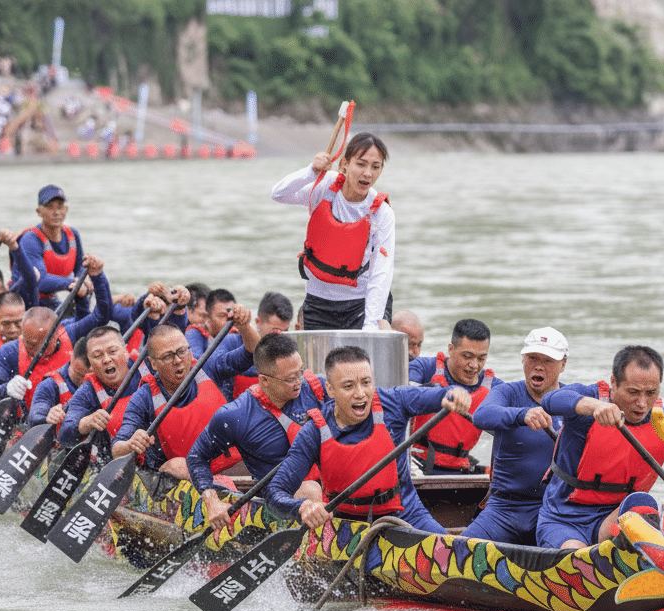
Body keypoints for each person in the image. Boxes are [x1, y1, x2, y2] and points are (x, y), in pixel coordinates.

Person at [267, 346, 472, 536]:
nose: (360, 393)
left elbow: (443, 394)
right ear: (330, 390)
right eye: (348, 386)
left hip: (407, 514)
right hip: (346, 525)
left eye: (366, 383)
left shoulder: (395, 402)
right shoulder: (314, 432)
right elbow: (275, 493)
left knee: (453, 559)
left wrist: (457, 394)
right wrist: (303, 507)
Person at [537, 345, 664, 549]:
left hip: (612, 519)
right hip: (564, 520)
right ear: (613, 382)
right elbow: (550, 400)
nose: (642, 403)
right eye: (633, 392)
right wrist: (596, 407)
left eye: (651, 392)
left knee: (643, 503)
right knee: (576, 554)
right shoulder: (589, 402)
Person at [188, 333, 328, 530]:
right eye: (290, 378)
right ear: (264, 381)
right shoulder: (235, 416)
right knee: (311, 490)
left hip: (329, 487)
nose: (299, 381)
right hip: (280, 499)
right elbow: (196, 457)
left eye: (300, 372)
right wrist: (212, 502)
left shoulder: (315, 388)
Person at [111, 307, 260, 479]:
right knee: (174, 467)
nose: (178, 360)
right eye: (168, 356)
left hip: (232, 467)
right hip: (187, 476)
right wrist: (130, 445)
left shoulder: (207, 368)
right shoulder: (144, 398)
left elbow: (253, 352)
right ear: (153, 363)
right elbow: (117, 448)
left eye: (182, 351)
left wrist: (245, 327)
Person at [463, 328, 577, 546]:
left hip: (553, 511)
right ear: (523, 359)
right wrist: (522, 415)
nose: (538, 366)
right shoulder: (508, 393)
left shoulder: (573, 399)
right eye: (532, 358)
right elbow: (482, 416)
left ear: (563, 364)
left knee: (570, 554)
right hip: (504, 510)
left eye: (548, 360)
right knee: (454, 555)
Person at [272, 132, 394, 330]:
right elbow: (279, 194)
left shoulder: (382, 213)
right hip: (318, 302)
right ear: (344, 164)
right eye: (361, 164)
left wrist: (370, 324)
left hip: (360, 303)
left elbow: (382, 272)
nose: (368, 173)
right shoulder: (324, 186)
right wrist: (311, 171)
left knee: (373, 343)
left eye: (375, 167)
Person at [0, 254, 113, 407]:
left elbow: (102, 315)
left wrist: (98, 276)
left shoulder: (70, 334)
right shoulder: (10, 351)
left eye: (39, 344)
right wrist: (6, 389)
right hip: (29, 422)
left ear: (55, 336)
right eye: (28, 343)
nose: (34, 351)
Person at [409, 319, 505, 474]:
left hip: (461, 469)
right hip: (417, 466)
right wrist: (442, 394)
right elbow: (401, 392)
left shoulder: (494, 386)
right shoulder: (423, 368)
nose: (474, 365)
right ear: (451, 349)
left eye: (481, 358)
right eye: (467, 356)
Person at [14, 184, 87, 312]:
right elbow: (40, 281)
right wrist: (73, 284)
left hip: (50, 299)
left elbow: (80, 267)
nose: (56, 212)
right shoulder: (30, 239)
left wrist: (84, 281)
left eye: (60, 207)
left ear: (66, 209)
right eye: (49, 207)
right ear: (39, 212)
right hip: (23, 300)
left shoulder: (73, 234)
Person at [211, 291, 294, 400]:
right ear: (258, 322)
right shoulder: (230, 341)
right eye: (275, 331)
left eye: (285, 332)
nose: (280, 337)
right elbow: (214, 369)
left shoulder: (290, 351)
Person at [27, 334, 90, 427]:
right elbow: (35, 416)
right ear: (71, 358)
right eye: (79, 376)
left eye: (90, 379)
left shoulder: (110, 376)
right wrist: (48, 416)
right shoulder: (49, 385)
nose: (84, 383)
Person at [186, 288, 237, 358]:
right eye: (222, 316)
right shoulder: (194, 333)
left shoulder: (239, 333)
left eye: (232, 315)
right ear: (207, 317)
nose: (229, 321)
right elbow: (195, 363)